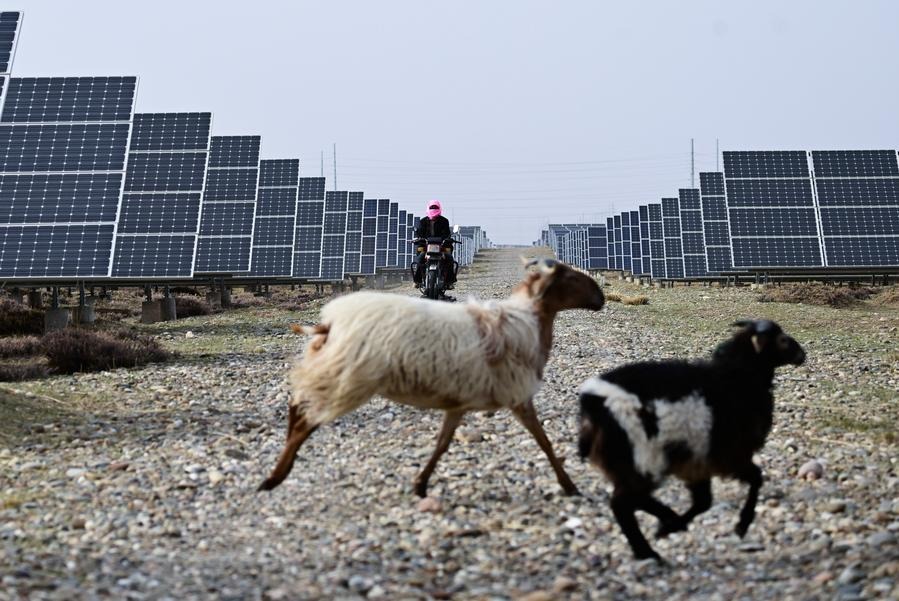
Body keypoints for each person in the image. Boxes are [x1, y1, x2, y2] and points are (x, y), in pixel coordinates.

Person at [413, 200, 456, 289]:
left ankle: (449, 281)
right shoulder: (423, 221)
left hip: (441, 246)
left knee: (449, 259)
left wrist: (447, 239)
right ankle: (417, 281)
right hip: (426, 246)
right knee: (420, 259)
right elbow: (420, 233)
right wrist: (419, 239)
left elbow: (446, 233)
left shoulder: (444, 221)